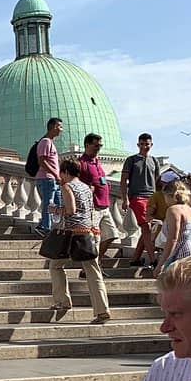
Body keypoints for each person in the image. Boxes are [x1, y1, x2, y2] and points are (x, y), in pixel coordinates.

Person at [46, 158, 110, 322]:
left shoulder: (67, 186)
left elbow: (71, 210)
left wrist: (55, 209)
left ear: (66, 172)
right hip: (89, 232)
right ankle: (102, 310)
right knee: (93, 272)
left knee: (55, 265)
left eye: (61, 172)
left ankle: (62, 301)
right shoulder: (86, 187)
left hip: (72, 234)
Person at [77, 133, 120, 275]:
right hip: (93, 207)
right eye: (96, 145)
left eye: (100, 146)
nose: (99, 148)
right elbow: (76, 184)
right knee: (94, 239)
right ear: (87, 145)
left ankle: (97, 262)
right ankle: (90, 269)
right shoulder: (81, 163)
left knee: (112, 234)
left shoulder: (97, 161)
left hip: (105, 205)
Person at [122, 132, 162, 268]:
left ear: (151, 145)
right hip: (137, 197)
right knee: (146, 226)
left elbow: (158, 181)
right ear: (138, 144)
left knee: (148, 229)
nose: (145, 146)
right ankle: (153, 260)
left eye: (147, 144)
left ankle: (135, 258)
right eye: (142, 144)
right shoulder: (131, 160)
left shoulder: (154, 161)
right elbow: (123, 180)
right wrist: (124, 199)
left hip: (152, 197)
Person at [154, 180, 191, 275]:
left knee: (175, 288)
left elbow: (173, 239)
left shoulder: (173, 210)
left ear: (169, 195)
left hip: (182, 256)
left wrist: (160, 265)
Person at [33, 116, 63, 237]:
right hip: (47, 178)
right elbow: (42, 161)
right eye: (60, 127)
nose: (62, 129)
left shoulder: (49, 142)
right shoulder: (45, 142)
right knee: (49, 204)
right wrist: (56, 174)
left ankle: (48, 226)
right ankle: (45, 227)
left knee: (57, 204)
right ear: (54, 127)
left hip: (51, 179)